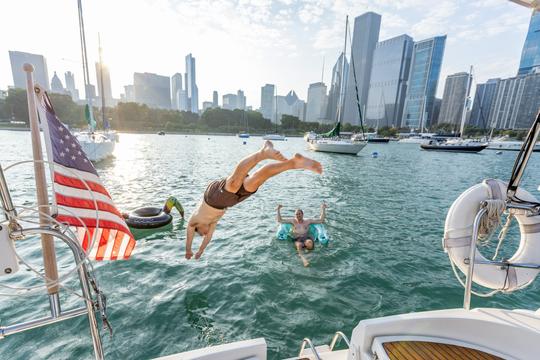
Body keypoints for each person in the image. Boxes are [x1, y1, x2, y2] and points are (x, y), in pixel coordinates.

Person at [185, 141, 323, 260]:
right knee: (257, 179)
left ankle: (262, 153)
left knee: (233, 183)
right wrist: (200, 251)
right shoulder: (212, 222)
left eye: (201, 233)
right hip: (231, 202)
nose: (205, 234)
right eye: (204, 234)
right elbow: (208, 239)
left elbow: (190, 232)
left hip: (212, 197)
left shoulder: (194, 221)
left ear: (197, 227)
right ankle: (292, 163)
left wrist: (188, 249)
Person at [277, 202, 327, 267]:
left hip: (306, 237)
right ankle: (304, 259)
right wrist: (278, 209)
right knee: (299, 245)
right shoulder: (293, 221)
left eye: (299, 214)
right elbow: (280, 220)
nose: (298, 215)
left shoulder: (307, 221)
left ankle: (310, 255)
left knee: (309, 243)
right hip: (297, 239)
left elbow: (321, 220)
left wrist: (323, 209)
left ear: (302, 214)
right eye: (296, 214)